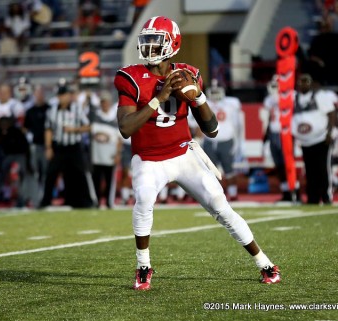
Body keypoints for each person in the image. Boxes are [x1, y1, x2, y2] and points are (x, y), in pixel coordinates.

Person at [114, 16, 280, 291]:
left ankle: (264, 263)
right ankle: (143, 266)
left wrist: (198, 97)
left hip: (183, 153)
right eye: (147, 41)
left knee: (220, 205)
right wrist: (159, 98)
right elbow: (126, 128)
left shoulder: (189, 73)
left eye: (155, 41)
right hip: (149, 158)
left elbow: (212, 130)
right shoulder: (130, 77)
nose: (149, 47)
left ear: (172, 44)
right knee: (143, 198)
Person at [40, 81, 93, 208]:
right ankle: (45, 201)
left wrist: (74, 129)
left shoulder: (77, 108)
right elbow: (48, 129)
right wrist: (48, 147)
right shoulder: (52, 110)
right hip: (59, 147)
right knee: (51, 173)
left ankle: (86, 202)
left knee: (79, 173)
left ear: (68, 95)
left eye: (63, 95)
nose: (61, 97)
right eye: (59, 95)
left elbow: (87, 127)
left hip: (74, 146)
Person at [292, 74, 337, 205]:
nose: (303, 84)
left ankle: (326, 197)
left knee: (323, 169)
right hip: (305, 142)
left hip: (321, 139)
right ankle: (313, 198)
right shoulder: (294, 98)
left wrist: (330, 132)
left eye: (306, 81)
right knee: (310, 172)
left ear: (311, 84)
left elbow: (331, 113)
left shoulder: (319, 96)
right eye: (301, 81)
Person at [200, 78, 243, 201]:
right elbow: (192, 120)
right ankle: (214, 195)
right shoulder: (204, 103)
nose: (214, 95)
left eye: (216, 91)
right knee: (210, 171)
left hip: (226, 140)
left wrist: (238, 143)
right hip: (209, 141)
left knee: (229, 169)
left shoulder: (231, 103)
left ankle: (233, 194)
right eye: (212, 92)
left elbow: (238, 124)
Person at [0, 116, 32, 211]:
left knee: (20, 176)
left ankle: (22, 202)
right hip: (3, 158)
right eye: (2, 123)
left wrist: (28, 164)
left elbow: (26, 148)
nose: (4, 125)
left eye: (6, 123)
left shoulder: (16, 133)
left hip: (18, 156)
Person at [263, 75, 300, 201]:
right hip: (274, 133)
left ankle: (295, 190)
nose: (274, 88)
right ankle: (286, 192)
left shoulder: (292, 95)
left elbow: (296, 114)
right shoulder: (269, 99)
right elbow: (269, 116)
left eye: (276, 85)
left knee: (288, 163)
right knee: (278, 164)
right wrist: (266, 133)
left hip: (286, 132)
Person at [90, 90, 122, 209]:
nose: (105, 104)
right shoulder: (96, 116)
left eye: (106, 102)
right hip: (97, 155)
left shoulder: (114, 118)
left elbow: (119, 139)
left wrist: (118, 154)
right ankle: (97, 202)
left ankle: (109, 202)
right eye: (103, 102)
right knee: (96, 180)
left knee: (109, 180)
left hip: (110, 154)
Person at [23, 84, 49, 207]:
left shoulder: (49, 109)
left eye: (41, 93)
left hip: (46, 146)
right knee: (34, 173)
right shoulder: (30, 111)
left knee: (45, 173)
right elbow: (25, 129)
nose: (39, 96)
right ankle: (34, 199)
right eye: (37, 93)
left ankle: (43, 198)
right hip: (34, 146)